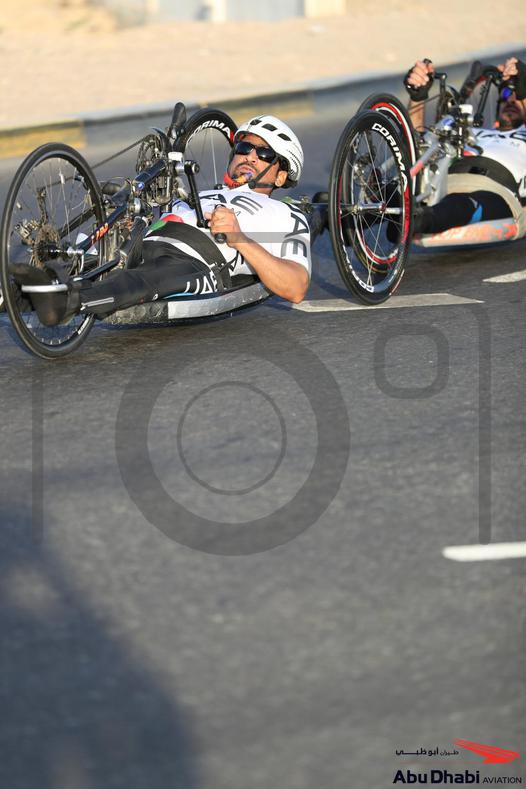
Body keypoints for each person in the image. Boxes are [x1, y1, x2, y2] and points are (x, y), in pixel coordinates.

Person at [10, 114, 314, 325]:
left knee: (141, 280)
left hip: (199, 261)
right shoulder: (206, 191)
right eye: (244, 148)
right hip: (148, 240)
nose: (249, 156)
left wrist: (240, 239)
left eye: (264, 154)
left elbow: (296, 286)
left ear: (281, 175)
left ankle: (65, 304)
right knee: (79, 260)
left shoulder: (286, 214)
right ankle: (13, 293)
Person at [404, 56, 526, 236]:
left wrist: (523, 83)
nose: (512, 100)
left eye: (519, 96)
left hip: (495, 191)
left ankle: (418, 221)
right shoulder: (472, 132)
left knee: (459, 204)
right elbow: (418, 147)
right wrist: (417, 97)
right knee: (399, 187)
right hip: (441, 182)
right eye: (507, 94)